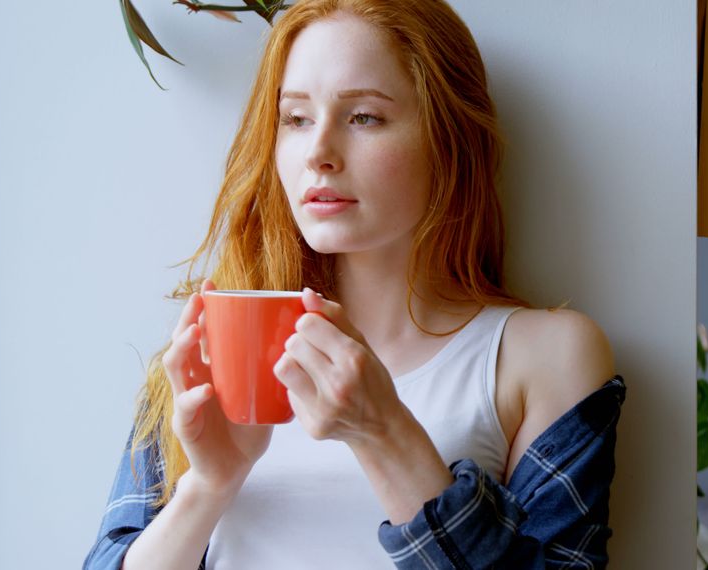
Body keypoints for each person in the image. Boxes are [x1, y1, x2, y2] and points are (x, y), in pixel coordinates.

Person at [83, 0, 626, 568]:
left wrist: (384, 432)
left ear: (449, 138)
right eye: (295, 119)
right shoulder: (208, 351)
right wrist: (210, 485)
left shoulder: (544, 357)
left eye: (364, 117)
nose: (318, 153)